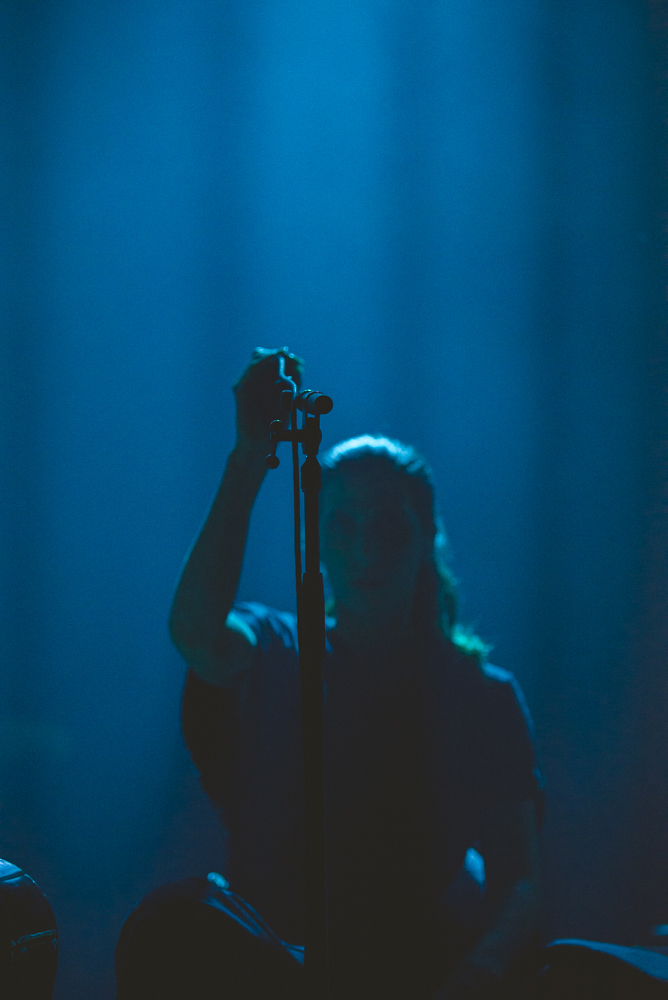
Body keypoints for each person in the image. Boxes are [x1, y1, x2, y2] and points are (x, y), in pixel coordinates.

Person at [116, 348, 543, 1000]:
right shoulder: (279, 647)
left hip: (416, 972)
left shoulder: (482, 695)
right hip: (264, 965)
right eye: (343, 526)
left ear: (427, 537)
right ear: (316, 538)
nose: (366, 549)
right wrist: (249, 458)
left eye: (389, 528)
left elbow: (519, 878)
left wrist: (478, 972)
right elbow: (198, 636)